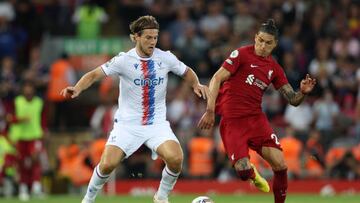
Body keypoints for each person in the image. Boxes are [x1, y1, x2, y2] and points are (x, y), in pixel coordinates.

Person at [60, 15, 209, 203]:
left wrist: (195, 84)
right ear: (136, 37)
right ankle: (88, 200)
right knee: (107, 165)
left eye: (155, 37)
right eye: (148, 37)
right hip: (127, 125)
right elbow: (94, 74)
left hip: (156, 124)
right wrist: (77, 87)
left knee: (176, 158)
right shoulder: (124, 60)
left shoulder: (166, 58)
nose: (153, 42)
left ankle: (161, 197)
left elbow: (186, 71)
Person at [198, 19, 316, 203]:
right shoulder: (241, 54)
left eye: (268, 42)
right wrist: (210, 110)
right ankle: (253, 175)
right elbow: (216, 78)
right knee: (243, 171)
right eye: (260, 40)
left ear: (275, 44)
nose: (262, 46)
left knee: (281, 165)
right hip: (233, 120)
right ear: (255, 38)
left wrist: (302, 92)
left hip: (255, 120)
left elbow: (293, 100)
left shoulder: (274, 68)